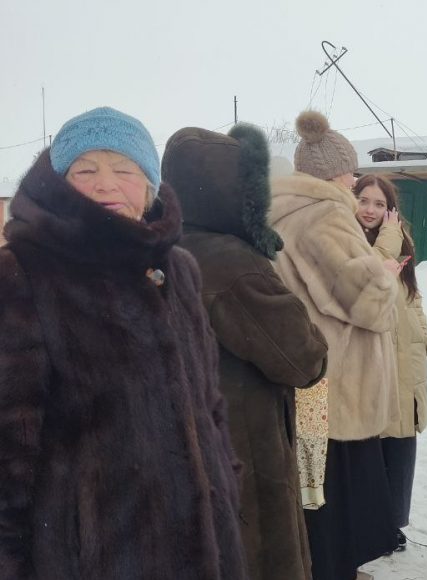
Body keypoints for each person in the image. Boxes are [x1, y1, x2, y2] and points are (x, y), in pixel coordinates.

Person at [0, 106, 247, 578]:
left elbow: (209, 403)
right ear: (59, 184)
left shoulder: (178, 269)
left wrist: (226, 487)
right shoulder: (24, 273)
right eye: (85, 170)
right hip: (91, 558)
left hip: (204, 544)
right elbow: (10, 442)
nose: (105, 184)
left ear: (149, 185)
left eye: (124, 169)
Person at [162, 124, 330, 580]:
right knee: (258, 559)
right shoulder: (233, 263)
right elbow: (303, 360)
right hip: (244, 456)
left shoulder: (159, 250)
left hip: (184, 454)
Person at [268, 110, 401, 579]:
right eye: (351, 171)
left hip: (309, 380)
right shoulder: (326, 215)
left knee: (312, 499)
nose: (354, 179)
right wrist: (385, 273)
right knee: (334, 510)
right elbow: (365, 299)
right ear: (335, 173)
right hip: (337, 385)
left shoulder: (283, 213)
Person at [355, 174, 427, 552]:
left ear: (391, 210)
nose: (370, 210)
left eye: (380, 204)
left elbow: (412, 294)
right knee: (368, 448)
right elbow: (364, 278)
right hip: (371, 358)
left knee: (399, 448)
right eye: (364, 200)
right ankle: (367, 524)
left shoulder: (400, 243)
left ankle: (390, 523)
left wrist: (423, 334)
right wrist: (387, 239)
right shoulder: (347, 240)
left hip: (405, 357)